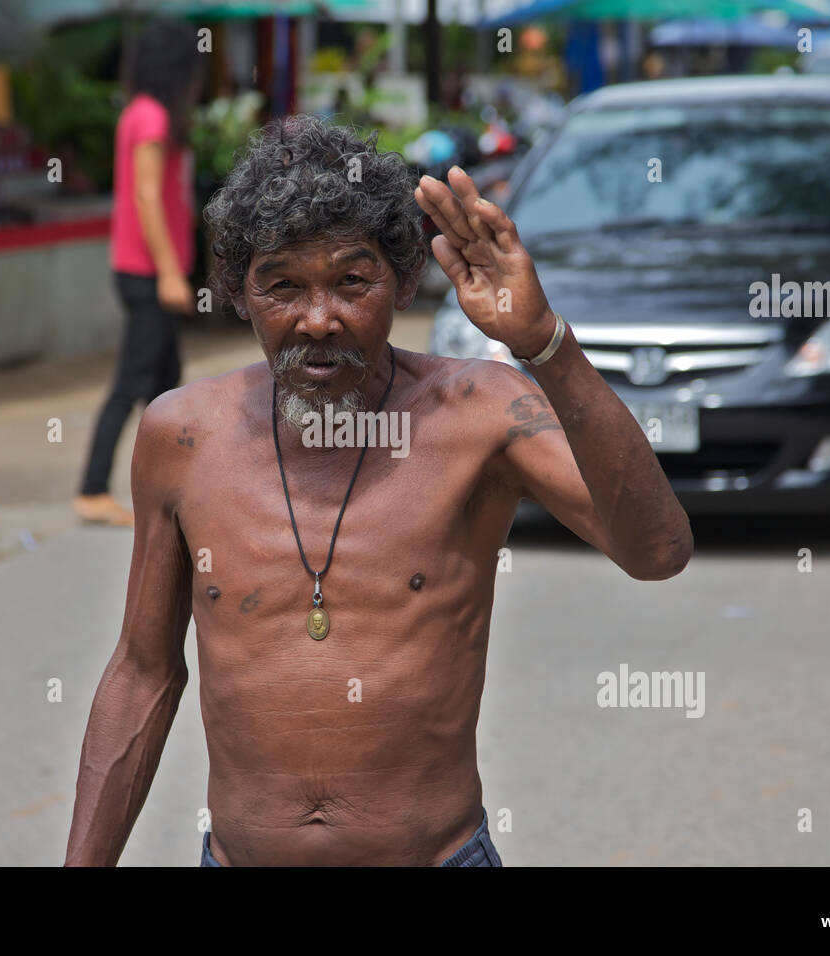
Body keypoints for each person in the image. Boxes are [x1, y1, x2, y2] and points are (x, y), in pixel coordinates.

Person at [65, 116, 692, 866]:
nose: (320, 319)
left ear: (402, 279)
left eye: (351, 282)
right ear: (239, 293)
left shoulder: (479, 412)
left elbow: (657, 551)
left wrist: (544, 345)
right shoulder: (182, 435)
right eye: (283, 286)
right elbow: (142, 674)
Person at [74, 19, 200, 527]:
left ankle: (170, 486)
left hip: (148, 269)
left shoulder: (146, 113)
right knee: (133, 381)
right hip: (147, 271)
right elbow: (148, 196)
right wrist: (170, 272)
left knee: (166, 383)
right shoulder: (149, 117)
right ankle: (91, 489)